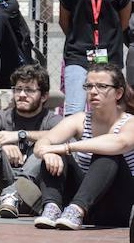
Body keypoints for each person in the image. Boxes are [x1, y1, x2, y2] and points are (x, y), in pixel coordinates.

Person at [29, 63, 134, 230]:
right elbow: (42, 144)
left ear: (118, 93)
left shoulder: (130, 122)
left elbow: (119, 143)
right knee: (55, 154)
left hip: (119, 205)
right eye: (89, 86)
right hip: (88, 203)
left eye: (101, 86)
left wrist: (67, 148)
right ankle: (52, 208)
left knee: (106, 152)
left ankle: (76, 209)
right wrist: (48, 153)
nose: (93, 92)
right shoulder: (80, 119)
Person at [0, 64, 61, 218]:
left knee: (43, 147)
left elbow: (61, 136)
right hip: (3, 191)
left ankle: (13, 195)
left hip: (30, 194)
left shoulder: (52, 120)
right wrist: (1, 141)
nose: (22, 94)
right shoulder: (3, 116)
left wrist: (20, 135)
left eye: (29, 90)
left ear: (44, 96)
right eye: (18, 89)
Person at [58, 0, 130, 115]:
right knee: (74, 109)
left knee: (109, 110)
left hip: (110, 54)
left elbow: (123, 22)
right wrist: (81, 37)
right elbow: (64, 21)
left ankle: (101, 144)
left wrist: (107, 38)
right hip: (78, 53)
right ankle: (75, 146)